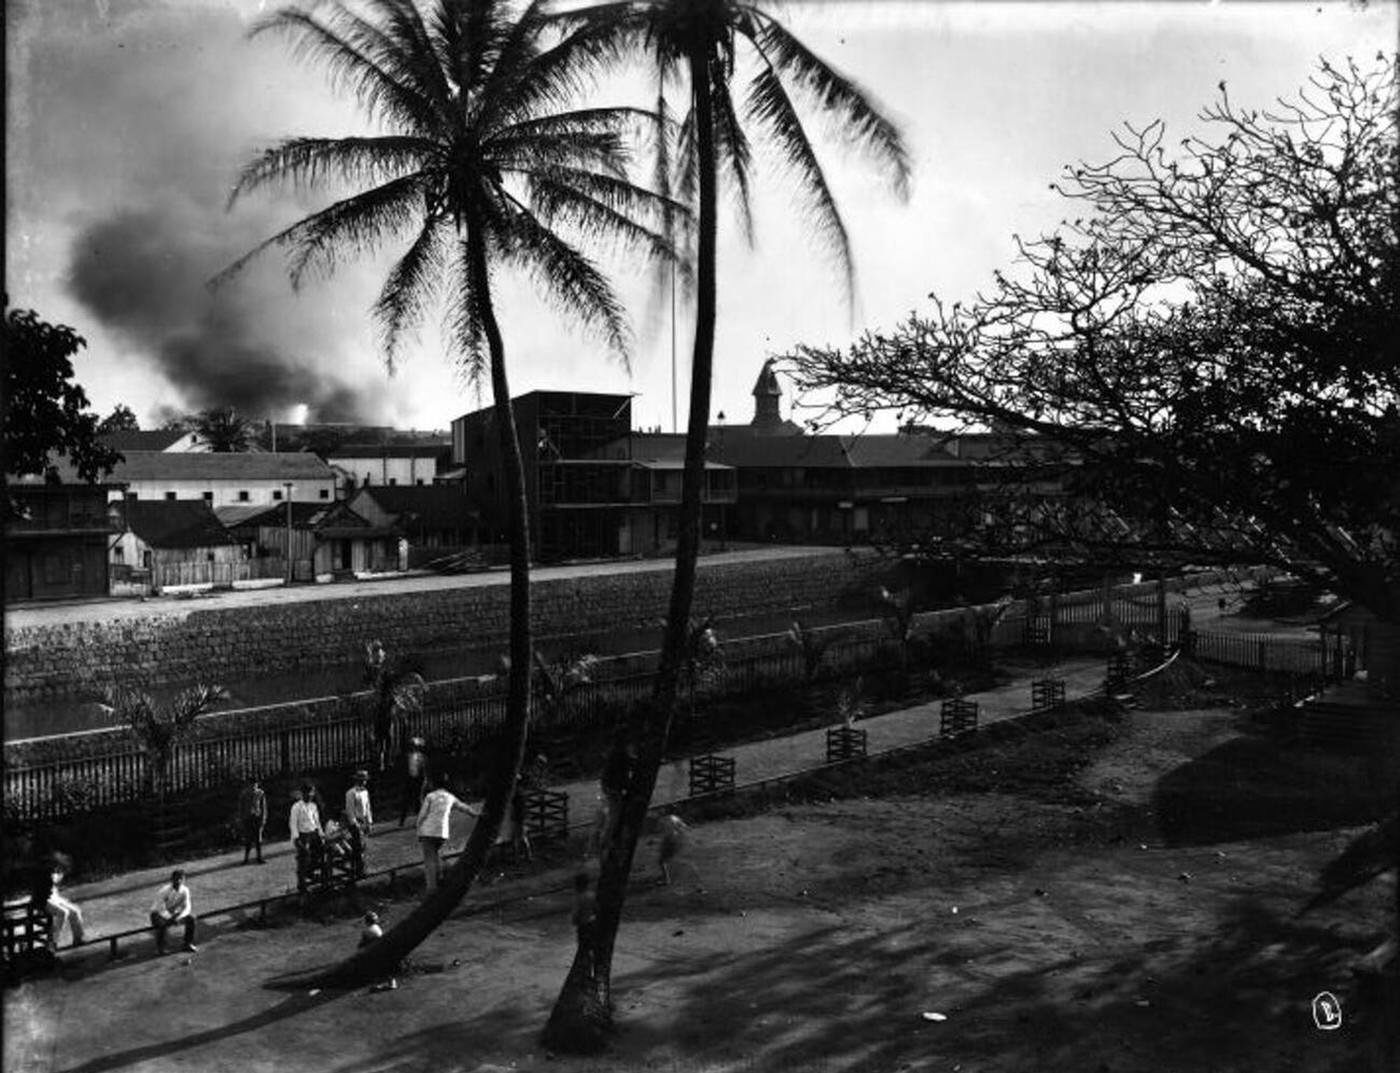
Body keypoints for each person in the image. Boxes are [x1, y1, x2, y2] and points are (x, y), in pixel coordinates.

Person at [416, 771, 480, 895]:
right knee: (435, 855)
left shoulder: (430, 797)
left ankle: (431, 887)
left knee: (429, 859)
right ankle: (439, 878)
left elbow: (422, 815)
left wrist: (418, 827)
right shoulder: (449, 797)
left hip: (427, 831)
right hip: (442, 832)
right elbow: (463, 807)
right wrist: (474, 813)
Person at [39, 861, 85, 950]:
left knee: (75, 911)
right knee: (63, 912)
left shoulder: (54, 872)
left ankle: (78, 938)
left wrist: (60, 875)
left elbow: (55, 885)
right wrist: (59, 876)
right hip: (43, 900)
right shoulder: (44, 872)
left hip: (54, 898)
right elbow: (52, 882)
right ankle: (53, 942)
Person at [149, 869, 197, 954]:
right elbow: (160, 908)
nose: (179, 881)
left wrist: (179, 917)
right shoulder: (164, 891)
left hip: (173, 914)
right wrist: (171, 918)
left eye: (181, 879)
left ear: (184, 879)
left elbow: (187, 907)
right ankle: (161, 948)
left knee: (191, 918)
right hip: (157, 913)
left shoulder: (185, 890)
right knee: (162, 924)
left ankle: (187, 944)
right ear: (172, 880)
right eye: (176, 879)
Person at [289, 783, 324, 892]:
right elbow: (293, 823)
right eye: (308, 793)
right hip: (303, 836)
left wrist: (321, 834)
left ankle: (310, 873)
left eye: (312, 793)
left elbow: (317, 822)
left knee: (318, 854)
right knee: (303, 858)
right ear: (303, 794)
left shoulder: (313, 806)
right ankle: (302, 884)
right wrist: (296, 838)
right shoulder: (296, 807)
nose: (310, 795)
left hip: (313, 834)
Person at [345, 769, 373, 877]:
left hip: (363, 820)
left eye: (365, 779)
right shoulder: (351, 793)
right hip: (355, 822)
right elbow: (350, 811)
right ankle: (359, 869)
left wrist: (369, 822)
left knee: (363, 845)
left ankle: (362, 868)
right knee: (358, 846)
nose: (364, 782)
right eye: (362, 779)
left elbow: (367, 808)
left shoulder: (365, 792)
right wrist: (355, 824)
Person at [398, 738, 429, 827]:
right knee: (406, 799)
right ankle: (402, 819)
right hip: (409, 779)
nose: (413, 748)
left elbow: (424, 770)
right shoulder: (406, 756)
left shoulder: (421, 757)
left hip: (418, 780)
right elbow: (403, 769)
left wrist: (425, 780)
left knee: (418, 800)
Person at [238, 775, 268, 865]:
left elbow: (263, 806)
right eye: (251, 784)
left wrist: (263, 818)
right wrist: (241, 818)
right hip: (248, 818)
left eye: (255, 784)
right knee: (248, 839)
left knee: (258, 839)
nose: (253, 786)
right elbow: (241, 807)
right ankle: (246, 858)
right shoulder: (244, 794)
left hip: (257, 817)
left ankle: (259, 857)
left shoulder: (260, 793)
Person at [658, 813, 689, 886]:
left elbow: (666, 832)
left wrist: (664, 844)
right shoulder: (674, 818)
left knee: (662, 861)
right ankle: (670, 876)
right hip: (676, 840)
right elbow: (684, 827)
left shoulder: (665, 820)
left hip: (670, 840)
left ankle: (666, 879)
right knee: (668, 860)